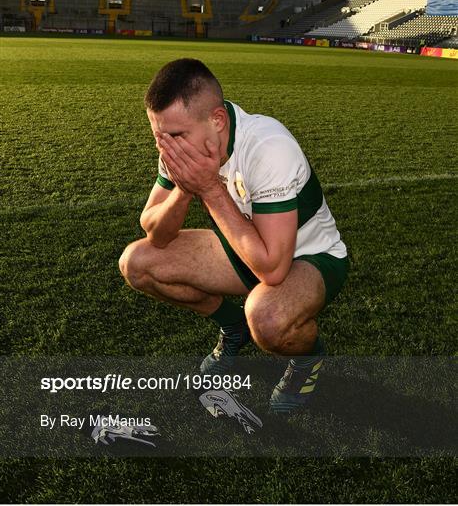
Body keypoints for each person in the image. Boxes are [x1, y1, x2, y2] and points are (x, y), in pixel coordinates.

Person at [119, 58, 349, 414]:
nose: (168, 147)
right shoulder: (178, 144)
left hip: (309, 257)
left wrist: (210, 189)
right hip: (242, 250)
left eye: (176, 136)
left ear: (217, 120)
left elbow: (273, 270)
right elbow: (155, 232)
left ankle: (308, 359)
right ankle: (233, 327)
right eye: (159, 136)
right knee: (138, 263)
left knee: (268, 319)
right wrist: (183, 189)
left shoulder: (268, 146)